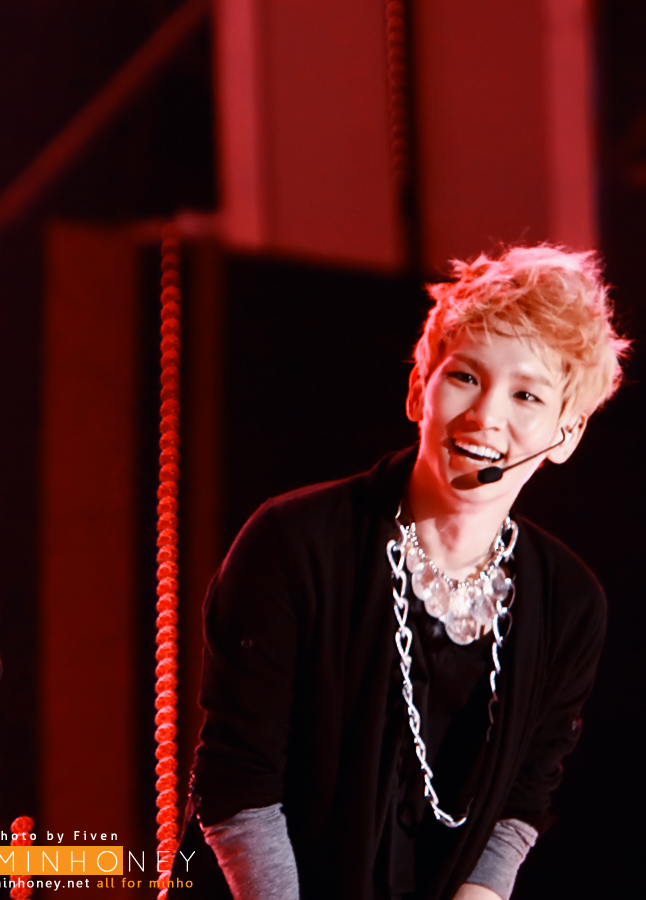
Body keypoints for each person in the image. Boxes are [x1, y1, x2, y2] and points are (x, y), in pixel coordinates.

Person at [181, 245, 626, 900]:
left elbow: (521, 805)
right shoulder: (294, 541)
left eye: (526, 394)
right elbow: (238, 787)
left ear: (567, 433)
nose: (485, 416)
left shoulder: (570, 603)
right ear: (420, 388)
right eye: (465, 376)